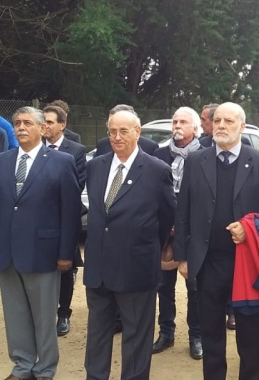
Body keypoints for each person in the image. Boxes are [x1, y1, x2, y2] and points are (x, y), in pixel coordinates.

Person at [174, 102, 259, 380]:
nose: (221, 125)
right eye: (218, 120)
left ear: (242, 126)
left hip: (248, 265)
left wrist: (251, 228)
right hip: (208, 262)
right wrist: (183, 255)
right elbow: (183, 210)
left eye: (229, 121)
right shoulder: (197, 160)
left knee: (250, 338)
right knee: (211, 336)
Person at [83, 109, 176, 380]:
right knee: (98, 332)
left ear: (138, 132)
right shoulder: (96, 166)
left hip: (136, 267)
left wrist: (142, 246)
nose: (117, 137)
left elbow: (166, 217)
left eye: (124, 131)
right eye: (112, 131)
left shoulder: (157, 170)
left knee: (136, 336)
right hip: (99, 267)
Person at [0, 107, 80, 380]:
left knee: (43, 317)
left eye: (27, 123)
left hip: (44, 252)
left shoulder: (61, 161)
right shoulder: (2, 161)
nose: (20, 127)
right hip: (7, 253)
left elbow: (71, 211)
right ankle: (22, 365)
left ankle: (45, 368)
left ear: (43, 128)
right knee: (15, 316)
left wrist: (66, 253)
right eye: (16, 123)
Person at [151, 107, 203, 360]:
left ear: (195, 128)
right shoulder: (159, 154)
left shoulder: (205, 155)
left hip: (193, 233)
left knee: (194, 287)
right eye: (175, 121)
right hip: (164, 232)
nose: (177, 125)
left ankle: (196, 335)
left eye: (183, 121)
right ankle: (166, 333)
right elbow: (154, 194)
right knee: (163, 286)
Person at [42, 105, 87, 337]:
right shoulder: (34, 148)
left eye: (50, 122)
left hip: (65, 219)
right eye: (43, 121)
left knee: (65, 267)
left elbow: (75, 185)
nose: (45, 126)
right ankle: (44, 313)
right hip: (39, 222)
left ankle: (63, 313)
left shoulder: (76, 151)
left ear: (62, 125)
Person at [93, 105, 159, 157]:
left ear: (137, 130)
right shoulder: (102, 144)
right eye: (110, 122)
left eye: (124, 130)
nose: (117, 137)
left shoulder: (150, 147)